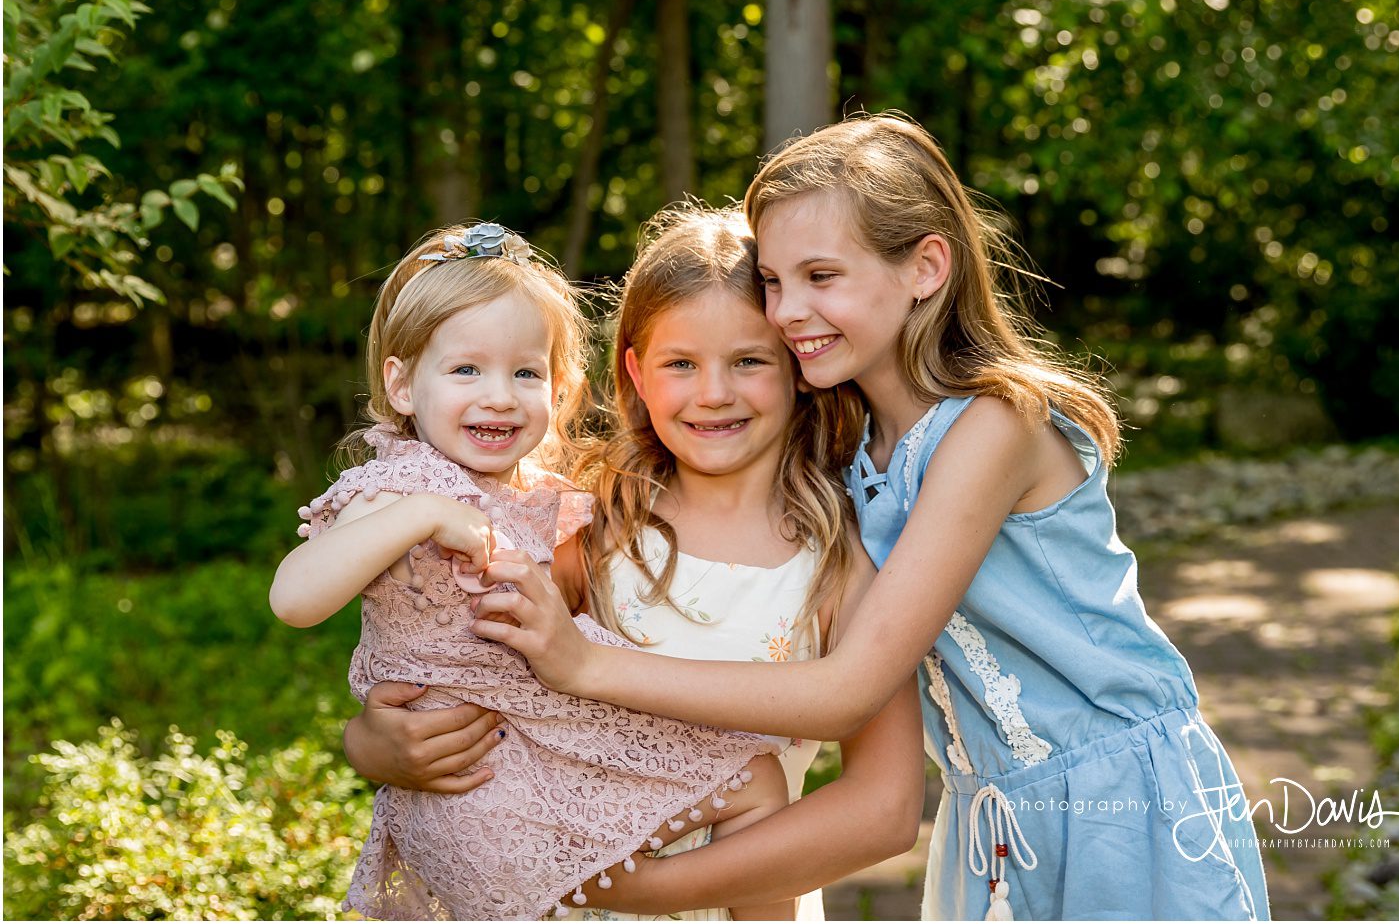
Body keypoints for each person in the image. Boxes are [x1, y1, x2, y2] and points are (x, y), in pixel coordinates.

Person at [472, 116, 1274, 921]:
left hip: (1118, 799)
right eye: (777, 282)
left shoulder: (995, 428)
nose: (788, 311)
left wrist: (586, 667)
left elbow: (848, 690)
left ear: (926, 266)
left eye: (822, 276)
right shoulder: (849, 449)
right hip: (991, 814)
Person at [343, 207, 926, 918]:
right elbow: (470, 681)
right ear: (636, 372)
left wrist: (648, 890)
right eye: (681, 363)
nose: (714, 393)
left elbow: (885, 809)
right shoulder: (586, 526)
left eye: (749, 360)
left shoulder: (838, 565)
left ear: (798, 369)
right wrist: (372, 744)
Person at [268, 222, 793, 922]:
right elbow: (293, 599)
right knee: (755, 779)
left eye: (525, 372)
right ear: (400, 384)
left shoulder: (541, 500)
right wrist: (423, 513)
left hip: (520, 770)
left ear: (560, 386)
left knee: (755, 782)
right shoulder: (398, 487)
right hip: (480, 791)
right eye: (465, 370)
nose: (499, 396)